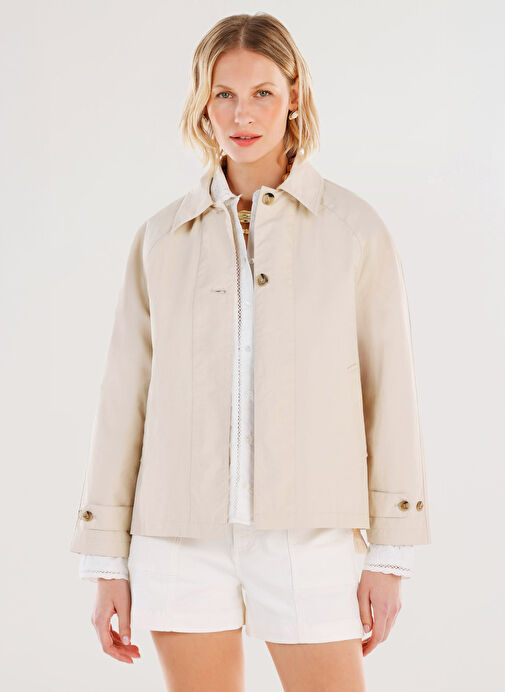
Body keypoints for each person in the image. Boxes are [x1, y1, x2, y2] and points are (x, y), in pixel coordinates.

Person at [70, 12, 431, 691]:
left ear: (293, 95)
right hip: (178, 536)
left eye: (263, 92)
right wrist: (105, 560)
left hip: (311, 533)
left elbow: (391, 393)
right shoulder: (161, 239)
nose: (243, 114)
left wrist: (390, 554)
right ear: (202, 104)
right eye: (224, 94)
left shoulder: (352, 231)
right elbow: (124, 399)